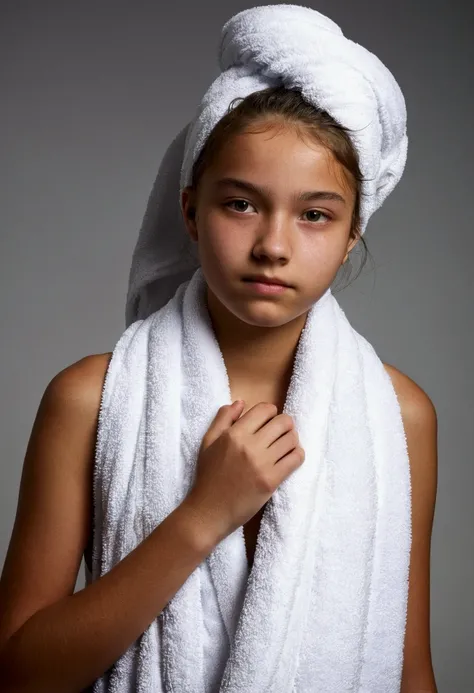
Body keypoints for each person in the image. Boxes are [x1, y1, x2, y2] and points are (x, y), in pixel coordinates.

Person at [0, 13, 438, 693]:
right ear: (189, 210)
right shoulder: (88, 399)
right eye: (240, 204)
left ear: (353, 233)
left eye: (315, 214)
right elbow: (18, 672)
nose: (273, 244)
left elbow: (408, 669)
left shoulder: (400, 415)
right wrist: (204, 514)